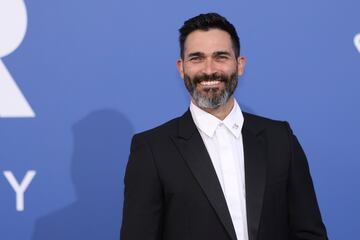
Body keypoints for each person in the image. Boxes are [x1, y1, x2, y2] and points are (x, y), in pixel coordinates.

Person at [120, 13, 328, 240]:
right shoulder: (152, 149)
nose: (209, 70)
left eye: (220, 57)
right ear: (181, 68)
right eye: (197, 58)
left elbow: (309, 233)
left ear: (240, 65)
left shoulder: (280, 139)